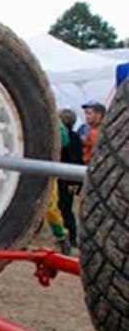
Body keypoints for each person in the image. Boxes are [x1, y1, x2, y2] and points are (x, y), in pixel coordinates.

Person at [57, 109, 84, 251]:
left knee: (65, 208)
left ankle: (71, 238)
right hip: (62, 178)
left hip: (67, 180)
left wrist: (75, 182)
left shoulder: (71, 139)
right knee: (61, 207)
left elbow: (76, 161)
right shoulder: (71, 137)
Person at [81, 100, 106, 165]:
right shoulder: (89, 129)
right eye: (86, 113)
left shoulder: (95, 133)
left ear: (99, 115)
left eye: (89, 113)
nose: (87, 116)